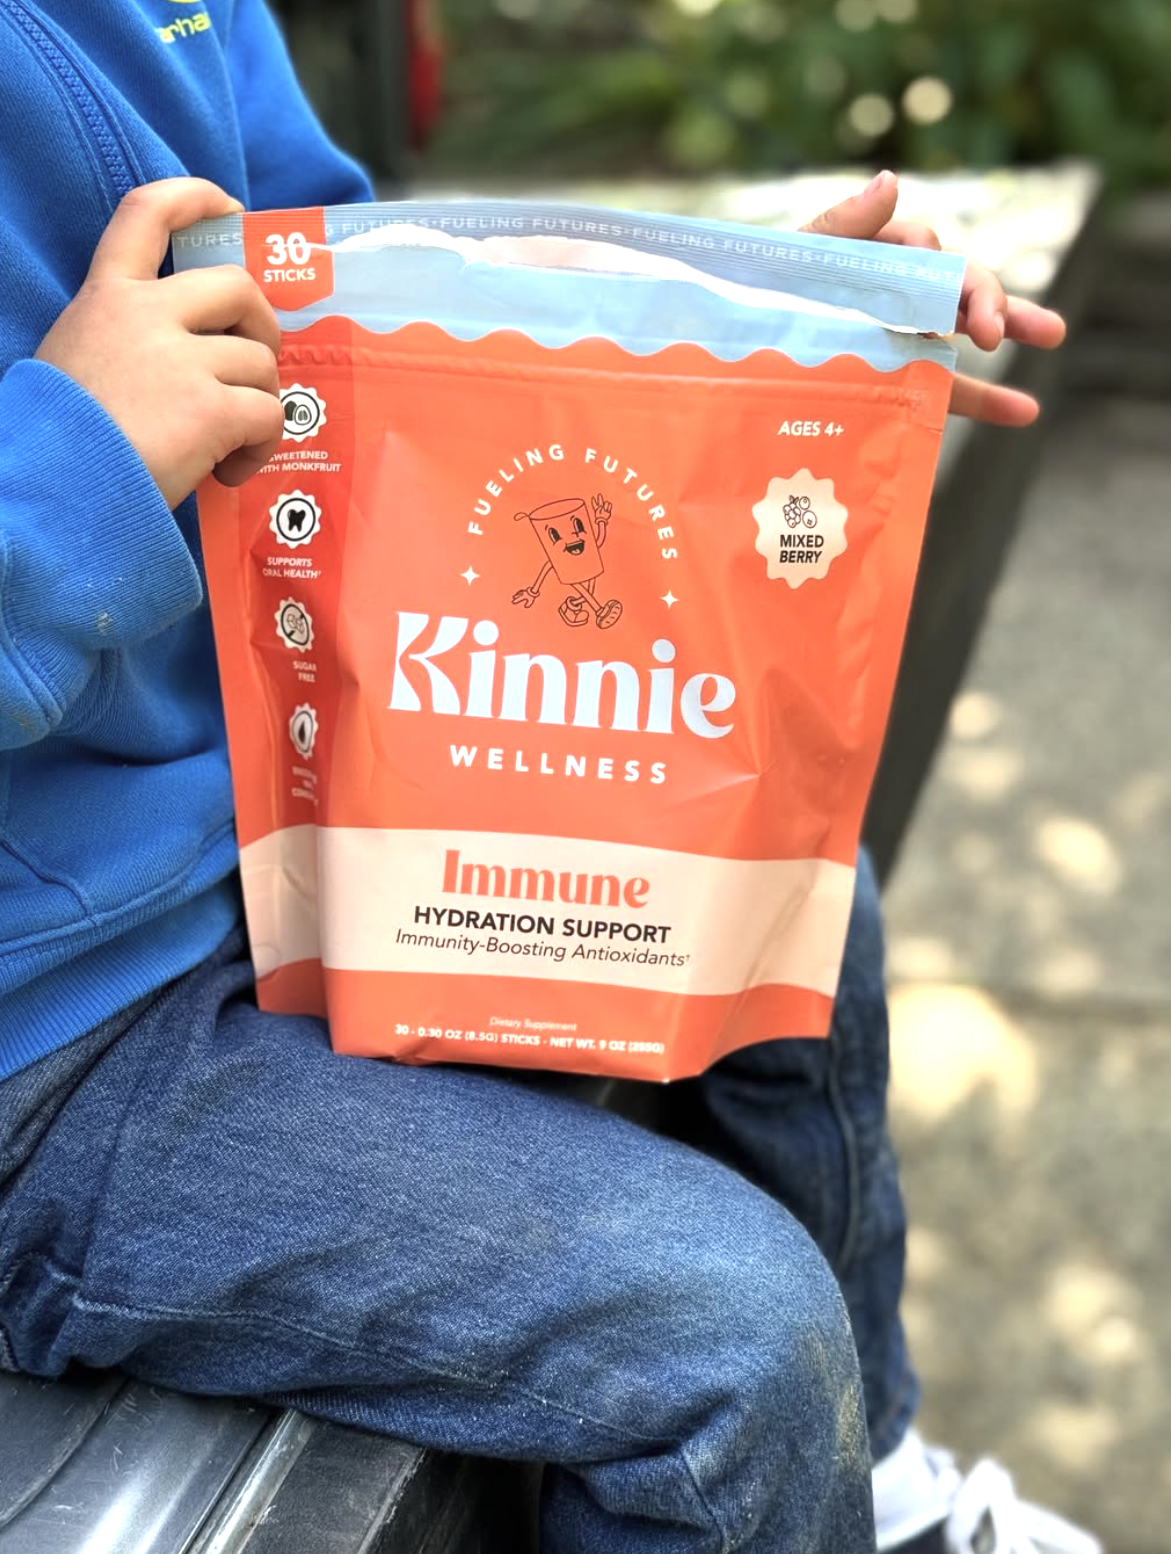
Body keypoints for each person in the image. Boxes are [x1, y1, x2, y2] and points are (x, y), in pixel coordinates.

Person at [0, 4, 1097, 1551]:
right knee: (732, 1350)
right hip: (50, 1047)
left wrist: (739, 324)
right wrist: (72, 458)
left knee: (792, 889)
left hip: (285, 817)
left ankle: (878, 1480)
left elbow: (349, 282)